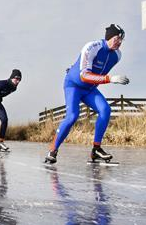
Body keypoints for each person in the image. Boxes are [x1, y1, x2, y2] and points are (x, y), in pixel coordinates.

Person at [45, 24, 129, 164]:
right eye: (117, 38)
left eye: (122, 39)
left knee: (105, 110)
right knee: (72, 116)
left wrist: (103, 79)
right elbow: (84, 76)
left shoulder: (117, 55)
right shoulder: (92, 47)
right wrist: (110, 79)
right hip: (74, 86)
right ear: (109, 37)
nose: (119, 42)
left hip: (90, 89)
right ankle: (52, 150)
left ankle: (96, 150)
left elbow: (98, 72)